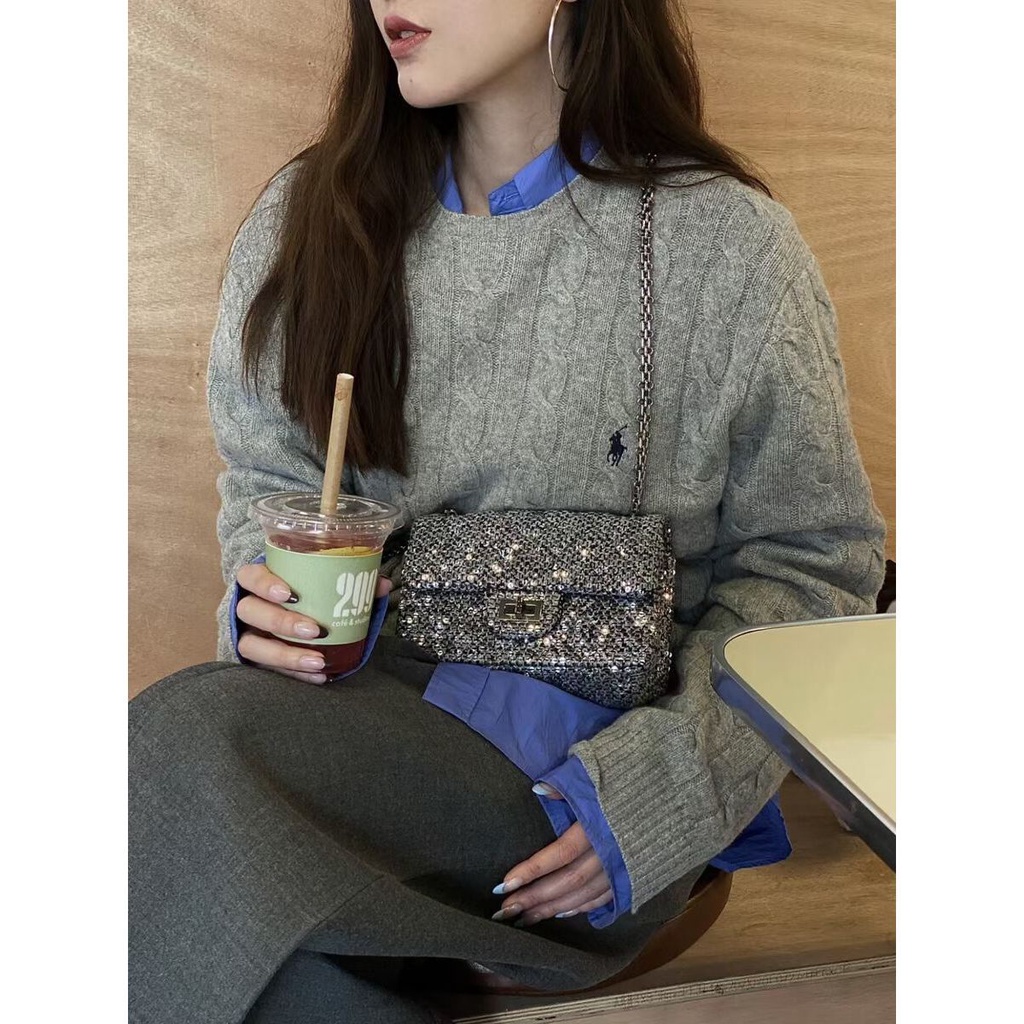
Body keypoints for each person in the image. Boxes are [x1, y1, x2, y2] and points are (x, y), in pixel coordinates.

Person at [128, 1, 887, 1021]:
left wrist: (661, 794)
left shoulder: (727, 249)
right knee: (221, 861)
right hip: (342, 744)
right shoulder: (311, 217)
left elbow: (811, 565)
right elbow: (269, 476)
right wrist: (265, 605)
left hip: (586, 806)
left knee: (176, 761)